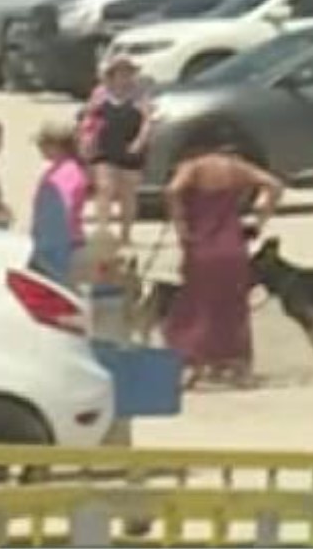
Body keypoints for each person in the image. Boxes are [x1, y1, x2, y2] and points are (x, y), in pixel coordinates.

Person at [163, 117, 281, 388]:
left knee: (196, 303)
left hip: (201, 241)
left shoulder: (193, 167)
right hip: (232, 242)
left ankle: (194, 361)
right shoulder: (237, 167)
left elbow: (173, 190)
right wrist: (259, 219)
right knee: (232, 305)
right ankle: (233, 363)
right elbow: (274, 185)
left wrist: (180, 223)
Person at [86, 58, 151, 245]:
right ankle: (103, 231)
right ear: (111, 75)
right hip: (105, 146)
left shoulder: (139, 95)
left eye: (128, 72)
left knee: (128, 193)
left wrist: (140, 141)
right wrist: (89, 138)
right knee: (104, 188)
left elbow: (147, 121)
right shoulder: (101, 93)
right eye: (120, 72)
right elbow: (89, 117)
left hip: (129, 146)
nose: (125, 77)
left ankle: (126, 234)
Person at [30, 121, 93, 284]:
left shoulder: (67, 173)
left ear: (55, 146)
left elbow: (61, 209)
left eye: (42, 144)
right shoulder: (60, 168)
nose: (39, 148)